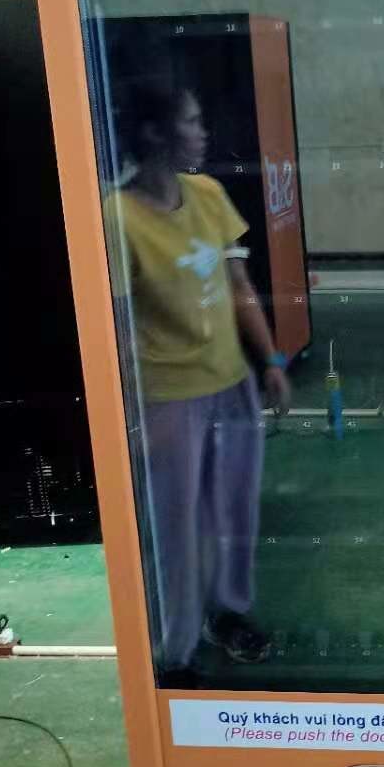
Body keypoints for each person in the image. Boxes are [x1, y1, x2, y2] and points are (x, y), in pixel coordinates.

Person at [105, 80, 291, 680]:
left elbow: (239, 288)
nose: (203, 131)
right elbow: (120, 328)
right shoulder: (117, 218)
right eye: (191, 120)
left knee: (234, 512)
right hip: (167, 398)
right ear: (156, 133)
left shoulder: (208, 193)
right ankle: (175, 649)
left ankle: (228, 613)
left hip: (229, 383)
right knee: (178, 527)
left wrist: (270, 362)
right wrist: (131, 412)